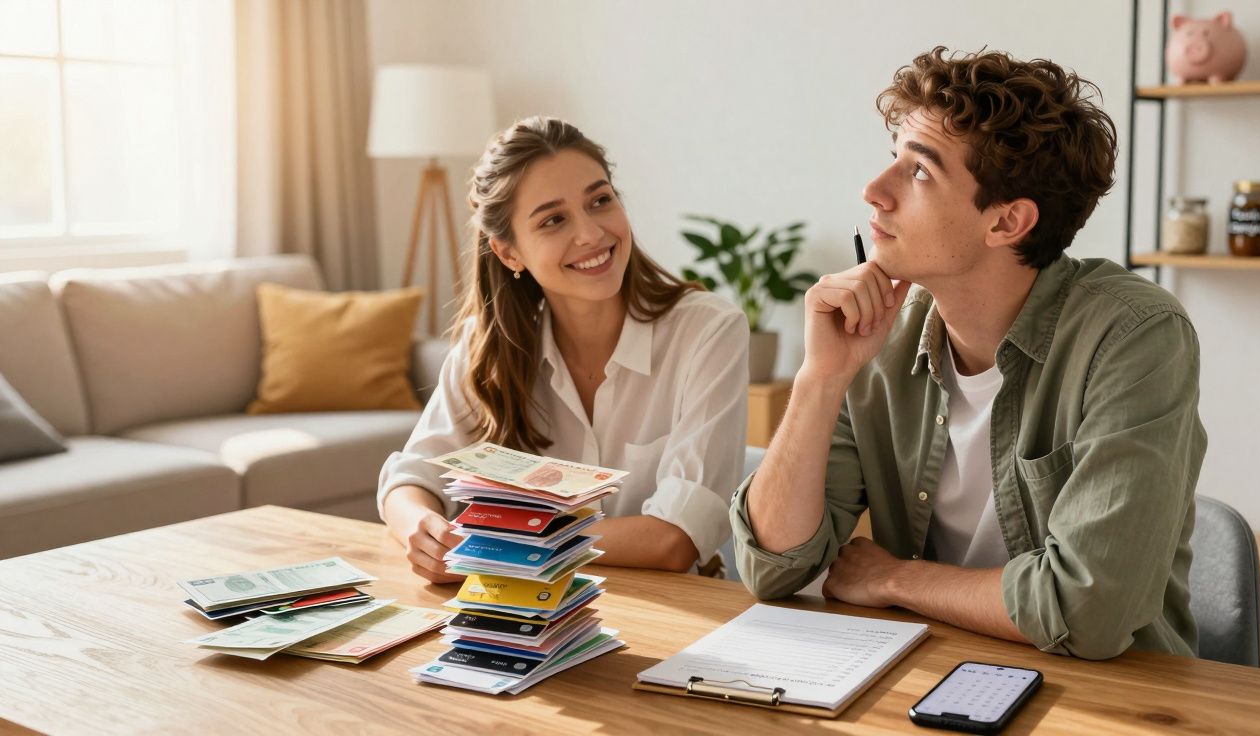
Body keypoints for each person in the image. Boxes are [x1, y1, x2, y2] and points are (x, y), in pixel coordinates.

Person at [731, 47, 1206, 660]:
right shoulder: (879, 339)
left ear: (1008, 223)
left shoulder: (1135, 335)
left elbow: (1090, 611)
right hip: (933, 673)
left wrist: (895, 578)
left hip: (1114, 700)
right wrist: (821, 377)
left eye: (920, 171)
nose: (874, 191)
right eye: (892, 160)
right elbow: (772, 566)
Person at [379, 116, 749, 583]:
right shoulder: (487, 344)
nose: (592, 234)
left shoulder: (708, 332)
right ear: (509, 253)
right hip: (526, 617)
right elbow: (411, 479)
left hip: (675, 612)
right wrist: (425, 531)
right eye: (554, 220)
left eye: (600, 201)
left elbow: (674, 540)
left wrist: (504, 546)